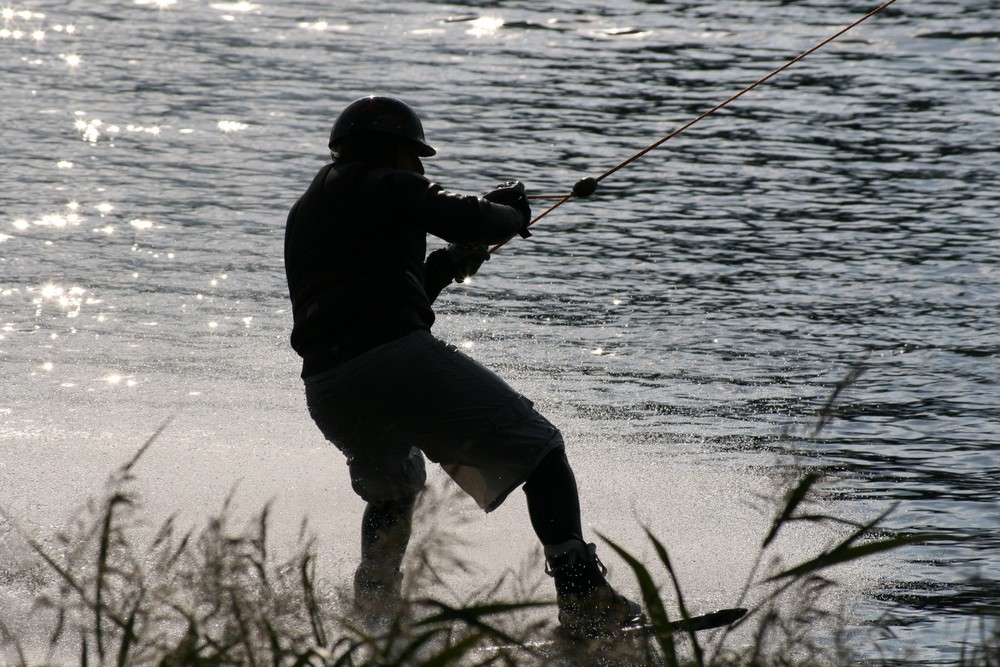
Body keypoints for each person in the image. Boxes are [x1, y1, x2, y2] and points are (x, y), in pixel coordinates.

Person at [283, 95, 644, 638]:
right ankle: (584, 598)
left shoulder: (314, 208)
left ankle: (375, 616)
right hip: (391, 361)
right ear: (390, 151)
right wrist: (510, 214)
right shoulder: (377, 180)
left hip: (330, 387)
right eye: (415, 155)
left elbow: (377, 297)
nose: (421, 167)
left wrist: (447, 266)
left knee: (395, 493)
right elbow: (465, 213)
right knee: (541, 449)